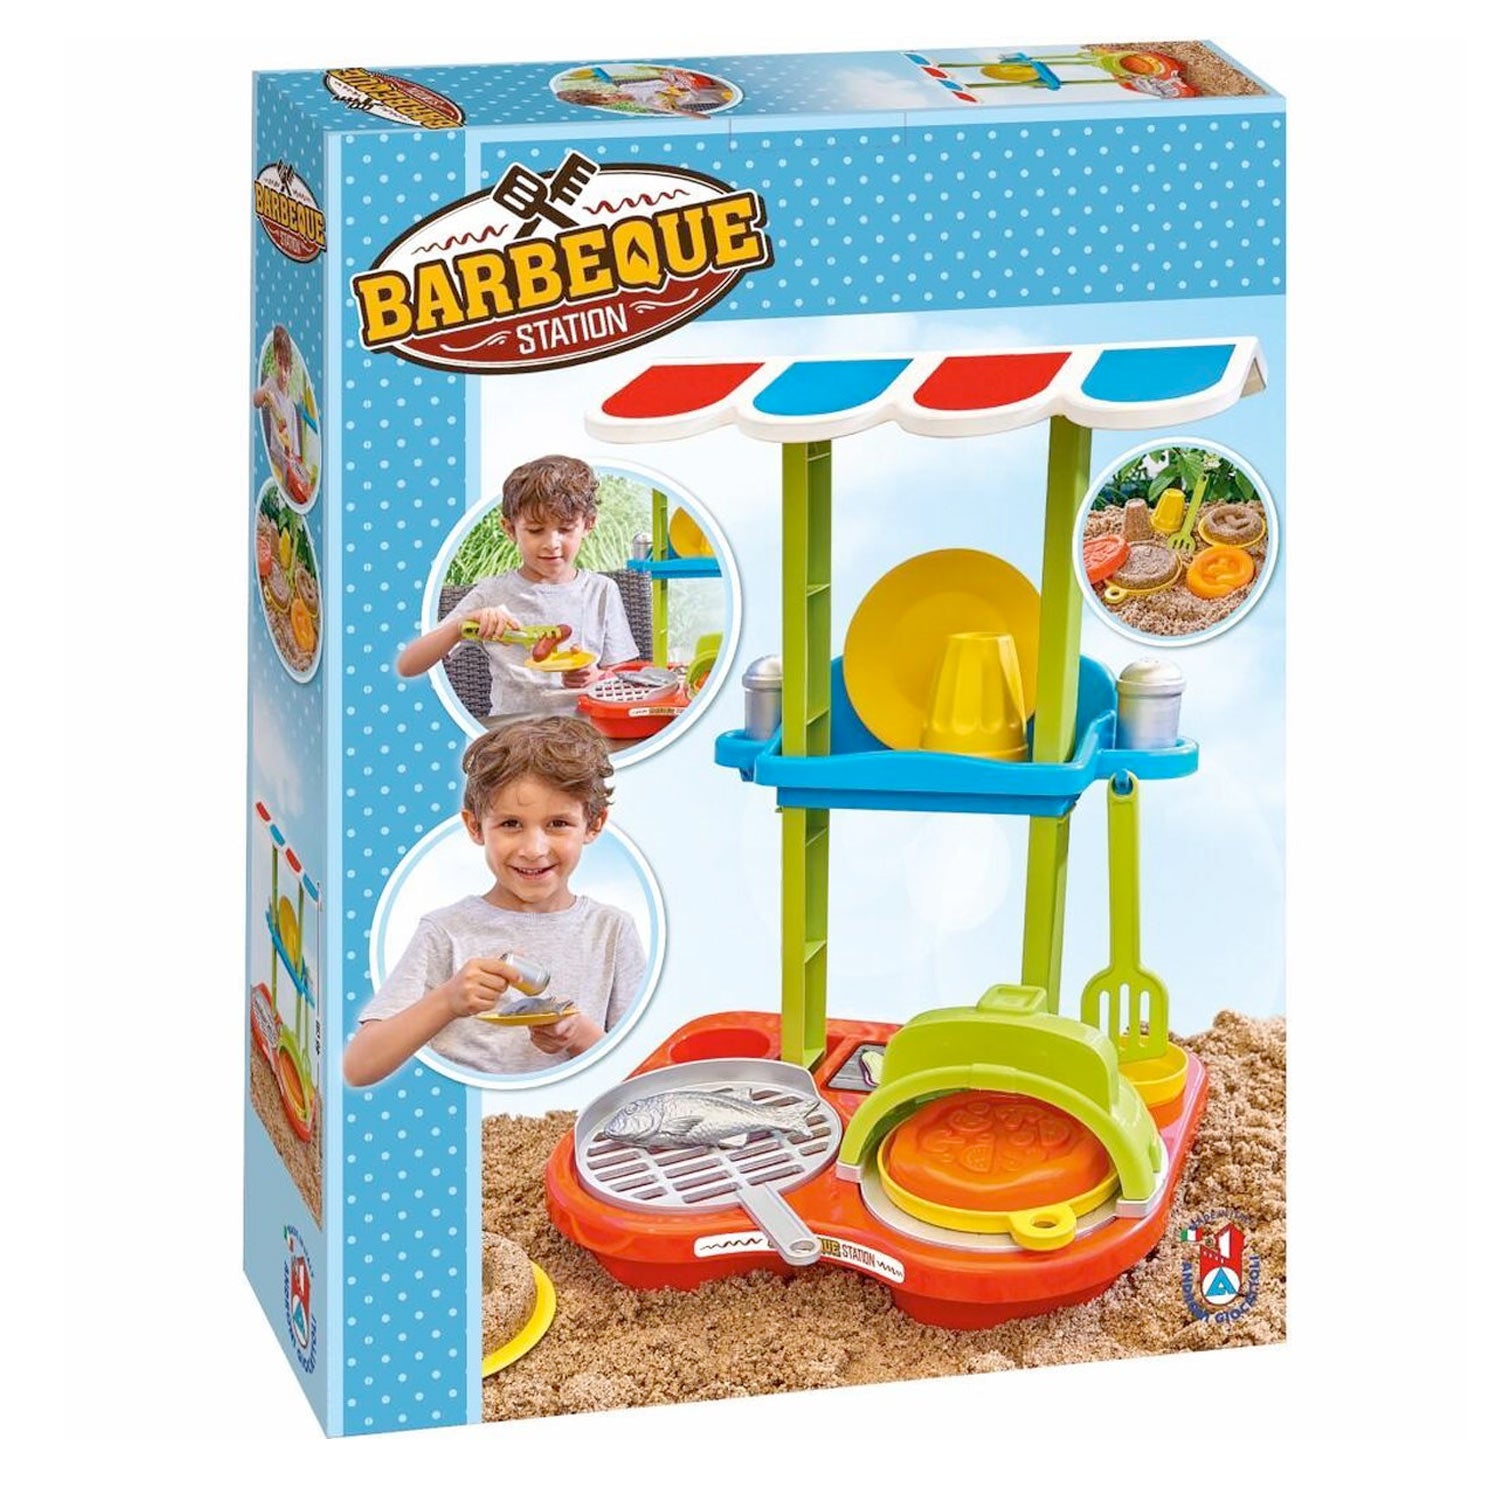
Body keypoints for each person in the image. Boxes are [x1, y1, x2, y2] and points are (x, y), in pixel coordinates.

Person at [344, 718, 647, 1084]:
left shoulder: (612, 930)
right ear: (475, 827)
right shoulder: (445, 931)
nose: (534, 849)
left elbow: (639, 1074)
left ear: (594, 824)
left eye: (558, 824)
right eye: (510, 824)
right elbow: (359, 1067)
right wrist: (448, 1001)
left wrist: (579, 1035)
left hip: (570, 1111)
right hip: (473, 1113)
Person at [397, 455, 637, 718]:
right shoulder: (491, 594)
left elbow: (626, 677)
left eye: (566, 529)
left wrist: (598, 677)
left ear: (588, 524)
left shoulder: (602, 591)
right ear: (510, 529)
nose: (552, 544)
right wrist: (460, 626)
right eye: (535, 530)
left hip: (585, 731)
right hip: (513, 731)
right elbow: (408, 665)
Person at [251, 324, 310, 499]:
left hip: (292, 456)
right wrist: (263, 394)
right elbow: (256, 401)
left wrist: (296, 457)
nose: (284, 374)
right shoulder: (271, 384)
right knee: (289, 490)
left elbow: (293, 433)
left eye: (287, 368)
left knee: (301, 486)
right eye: (280, 364)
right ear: (276, 360)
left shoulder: (290, 397)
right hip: (278, 455)